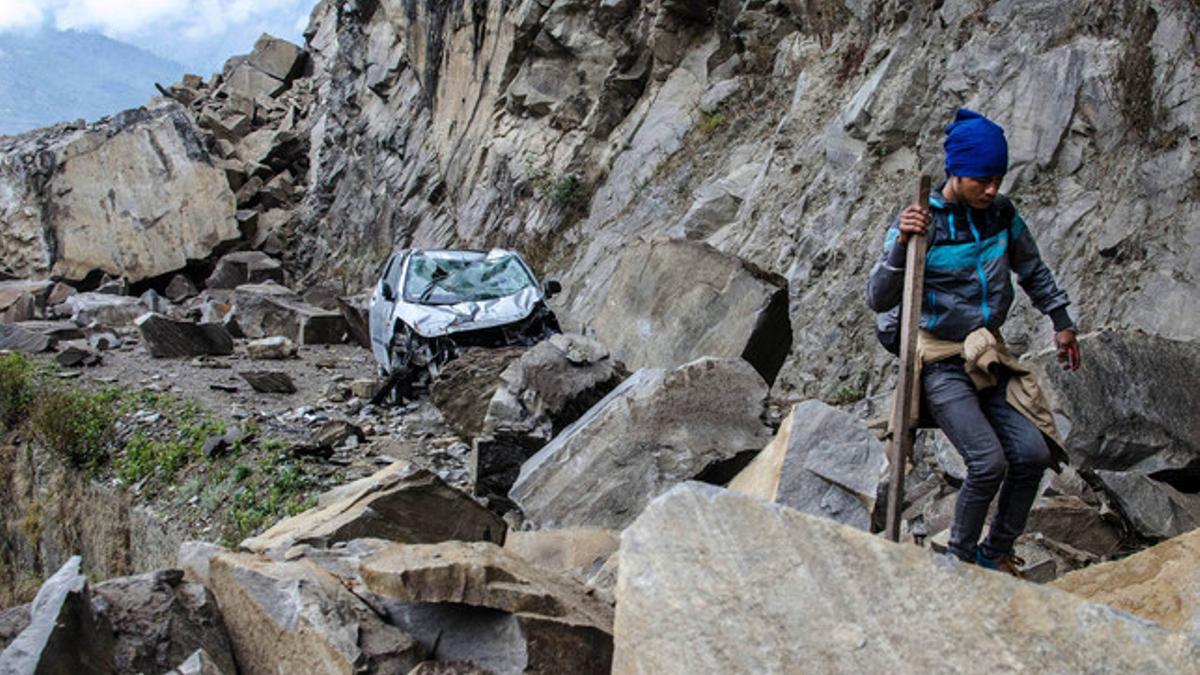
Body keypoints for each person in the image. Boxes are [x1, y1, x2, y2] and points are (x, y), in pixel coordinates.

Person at [866, 108, 1080, 575]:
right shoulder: (923, 224)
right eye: (982, 180)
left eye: (997, 179)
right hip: (938, 362)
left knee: (1032, 453)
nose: (991, 189)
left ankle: (994, 552)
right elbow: (879, 296)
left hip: (985, 353)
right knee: (988, 462)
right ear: (956, 173)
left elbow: (1033, 271)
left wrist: (1061, 321)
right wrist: (903, 244)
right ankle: (959, 565)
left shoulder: (1000, 215)